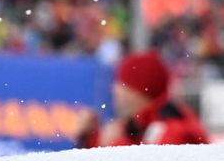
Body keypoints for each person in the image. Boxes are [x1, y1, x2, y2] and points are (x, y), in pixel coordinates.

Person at [77, 51, 211, 147]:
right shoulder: (139, 125)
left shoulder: (172, 131)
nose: (114, 90)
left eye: (121, 84)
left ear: (136, 92)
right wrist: (90, 138)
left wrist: (112, 146)